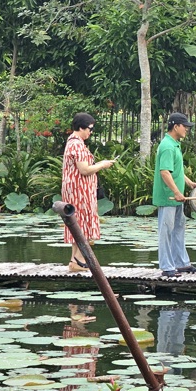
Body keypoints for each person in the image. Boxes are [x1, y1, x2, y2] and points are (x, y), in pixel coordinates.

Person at [152, 112, 196, 278]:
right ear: (176, 126)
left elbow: (176, 170)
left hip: (176, 197)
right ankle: (167, 266)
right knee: (166, 231)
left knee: (179, 228)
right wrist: (176, 192)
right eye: (185, 126)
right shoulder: (167, 146)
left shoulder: (174, 144)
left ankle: (181, 263)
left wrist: (189, 183)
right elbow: (164, 172)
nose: (187, 129)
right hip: (169, 197)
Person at [62, 112, 115, 272]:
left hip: (75, 189)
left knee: (76, 222)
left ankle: (74, 261)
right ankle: (78, 260)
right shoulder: (77, 144)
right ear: (81, 127)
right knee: (82, 222)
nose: (90, 132)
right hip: (79, 190)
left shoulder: (72, 142)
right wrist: (102, 164)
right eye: (90, 129)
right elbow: (84, 169)